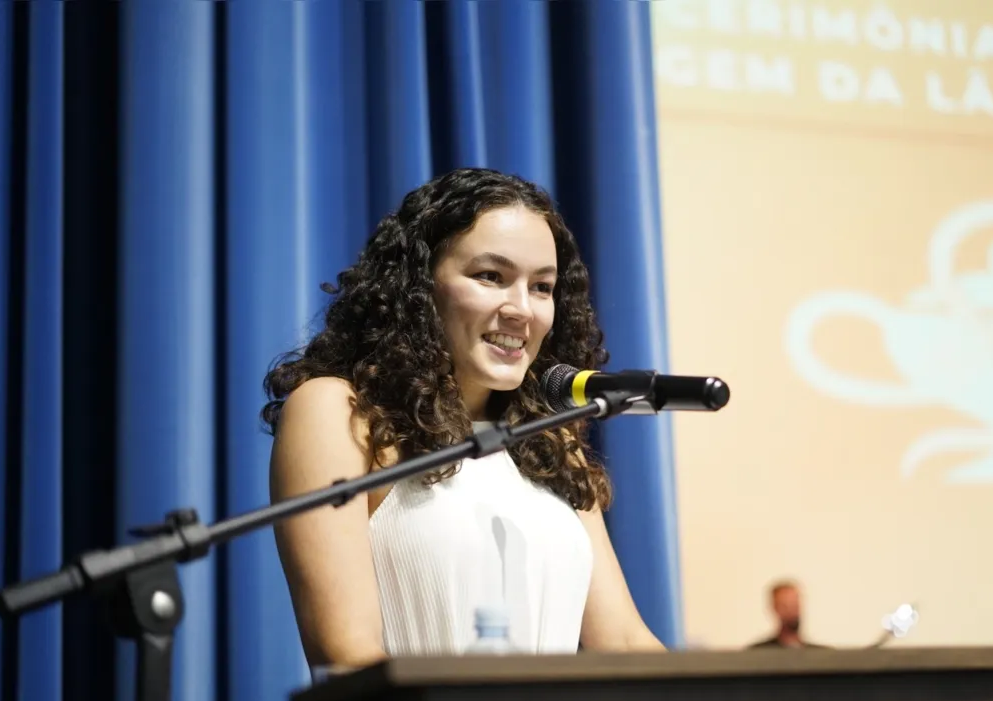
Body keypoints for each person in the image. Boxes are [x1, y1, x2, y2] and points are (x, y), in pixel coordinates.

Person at [261, 167, 665, 670]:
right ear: (419, 286)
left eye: (542, 287)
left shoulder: (548, 438)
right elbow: (345, 648)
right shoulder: (340, 410)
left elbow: (624, 640)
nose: (522, 309)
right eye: (490, 277)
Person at [749, 580, 826, 649]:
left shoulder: (820, 655)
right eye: (785, 606)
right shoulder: (759, 652)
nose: (791, 611)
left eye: (794, 605)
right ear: (774, 609)